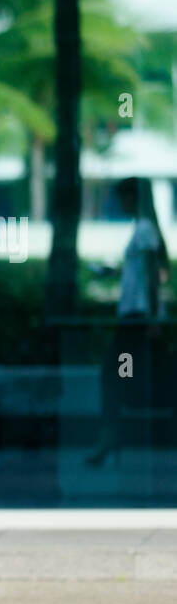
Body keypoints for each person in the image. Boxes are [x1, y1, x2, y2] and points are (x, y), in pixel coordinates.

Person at [85, 177, 171, 467]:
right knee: (130, 375)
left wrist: (152, 318)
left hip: (137, 319)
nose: (120, 204)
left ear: (133, 198)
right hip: (136, 317)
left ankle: (110, 435)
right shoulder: (142, 229)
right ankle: (113, 434)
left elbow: (152, 277)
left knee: (115, 373)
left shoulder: (144, 230)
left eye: (122, 197)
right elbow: (142, 272)